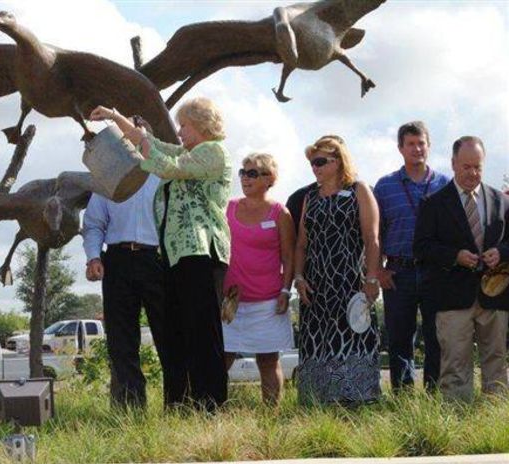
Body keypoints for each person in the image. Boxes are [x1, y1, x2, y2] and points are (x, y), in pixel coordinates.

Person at [90, 97, 231, 411]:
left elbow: (167, 166)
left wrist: (143, 151)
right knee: (183, 332)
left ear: (201, 124)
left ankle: (211, 405)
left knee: (202, 331)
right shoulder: (192, 152)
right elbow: (148, 141)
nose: (179, 132)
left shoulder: (212, 152)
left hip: (201, 251)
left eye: (184, 126)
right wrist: (115, 115)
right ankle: (187, 405)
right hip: (179, 255)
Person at [414, 136, 509, 401]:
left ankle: (492, 424)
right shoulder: (433, 203)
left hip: (495, 295)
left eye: (477, 167)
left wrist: (500, 252)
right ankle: (456, 424)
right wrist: (454, 256)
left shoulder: (501, 201)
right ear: (453, 163)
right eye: (466, 166)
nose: (472, 173)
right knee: (455, 366)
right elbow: (421, 248)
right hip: (452, 298)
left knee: (496, 362)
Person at [294, 136, 381, 405]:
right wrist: (298, 277)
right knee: (316, 344)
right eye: (311, 162)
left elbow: (372, 238)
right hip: (316, 287)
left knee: (353, 341)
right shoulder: (310, 196)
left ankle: (358, 403)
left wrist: (371, 278)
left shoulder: (358, 190)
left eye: (320, 161)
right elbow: (301, 244)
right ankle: (316, 404)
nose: (314, 167)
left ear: (339, 161)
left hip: (351, 283)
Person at [373, 121, 450, 392]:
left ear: (428, 146)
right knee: (400, 339)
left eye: (421, 143)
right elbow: (375, 234)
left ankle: (433, 396)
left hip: (436, 272)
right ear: (400, 148)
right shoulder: (384, 187)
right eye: (411, 144)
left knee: (436, 337)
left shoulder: (445, 184)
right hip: (398, 272)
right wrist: (378, 271)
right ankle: (403, 399)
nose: (417, 148)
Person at [82, 174, 169, 409]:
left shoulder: (164, 175)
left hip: (159, 259)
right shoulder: (108, 179)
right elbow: (93, 224)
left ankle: (178, 405)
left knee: (169, 334)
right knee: (121, 341)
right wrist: (93, 257)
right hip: (117, 260)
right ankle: (131, 409)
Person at [222, 153, 295, 405]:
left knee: (268, 361)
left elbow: (288, 255)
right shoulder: (228, 207)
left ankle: (270, 418)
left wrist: (286, 292)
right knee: (222, 358)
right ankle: (212, 412)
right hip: (231, 301)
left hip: (268, 301)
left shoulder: (280, 213)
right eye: (243, 172)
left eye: (253, 173)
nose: (245, 178)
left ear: (269, 178)